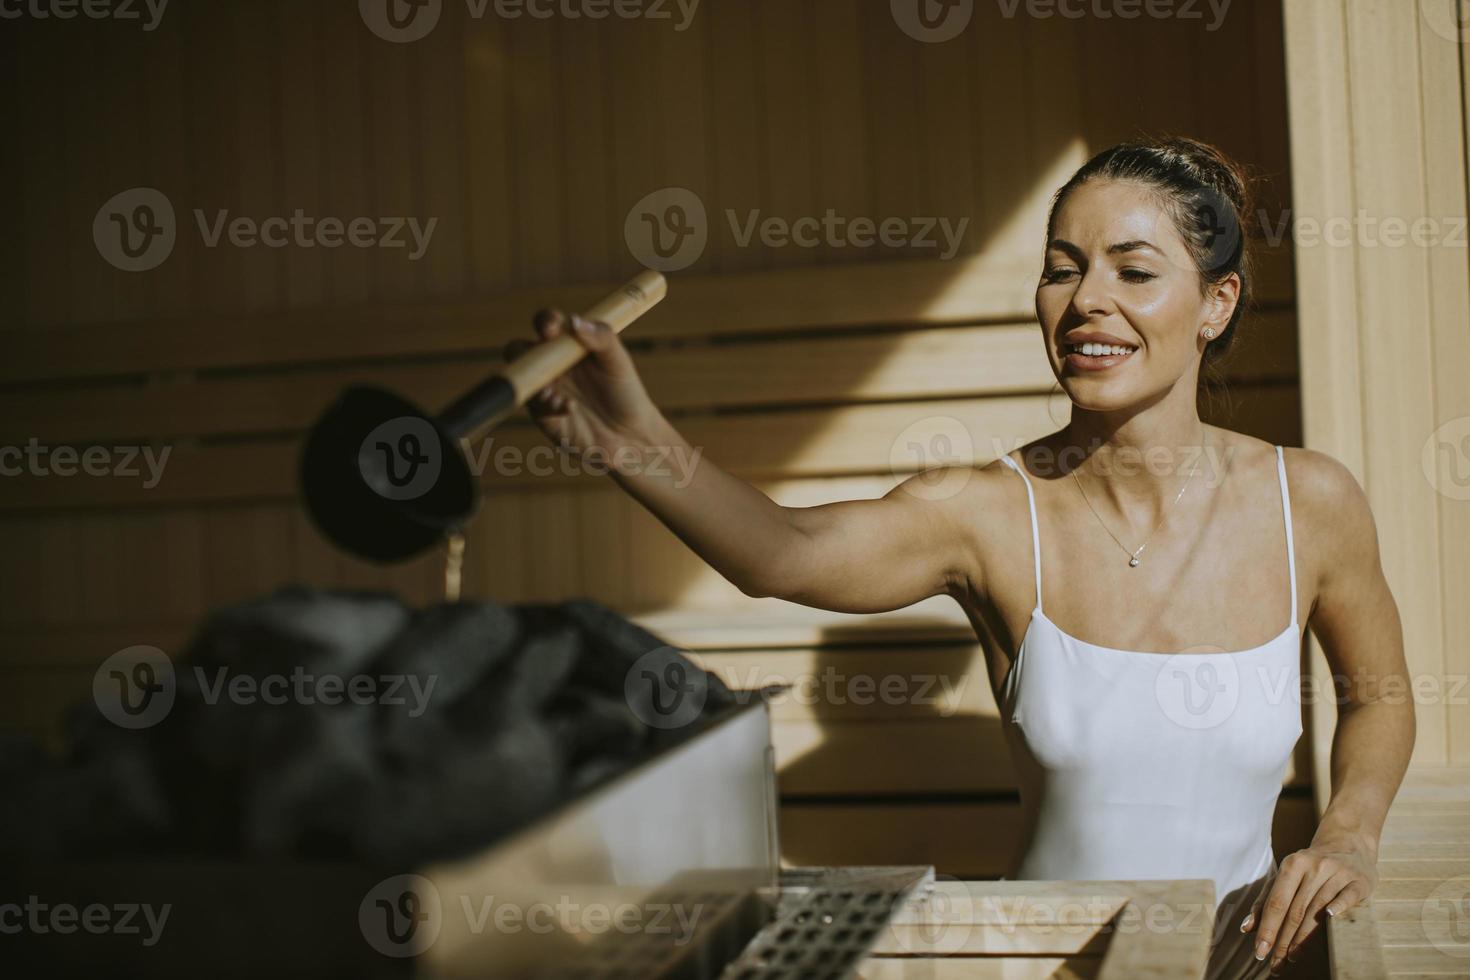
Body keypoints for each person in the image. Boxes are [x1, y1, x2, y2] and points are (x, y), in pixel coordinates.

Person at [505, 136, 1414, 978]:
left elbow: (1379, 696)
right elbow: (784, 554)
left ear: (1217, 302)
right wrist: (630, 443)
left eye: (1134, 271)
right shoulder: (986, 514)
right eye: (1062, 270)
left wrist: (1349, 833)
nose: (1086, 299)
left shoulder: (1310, 503)